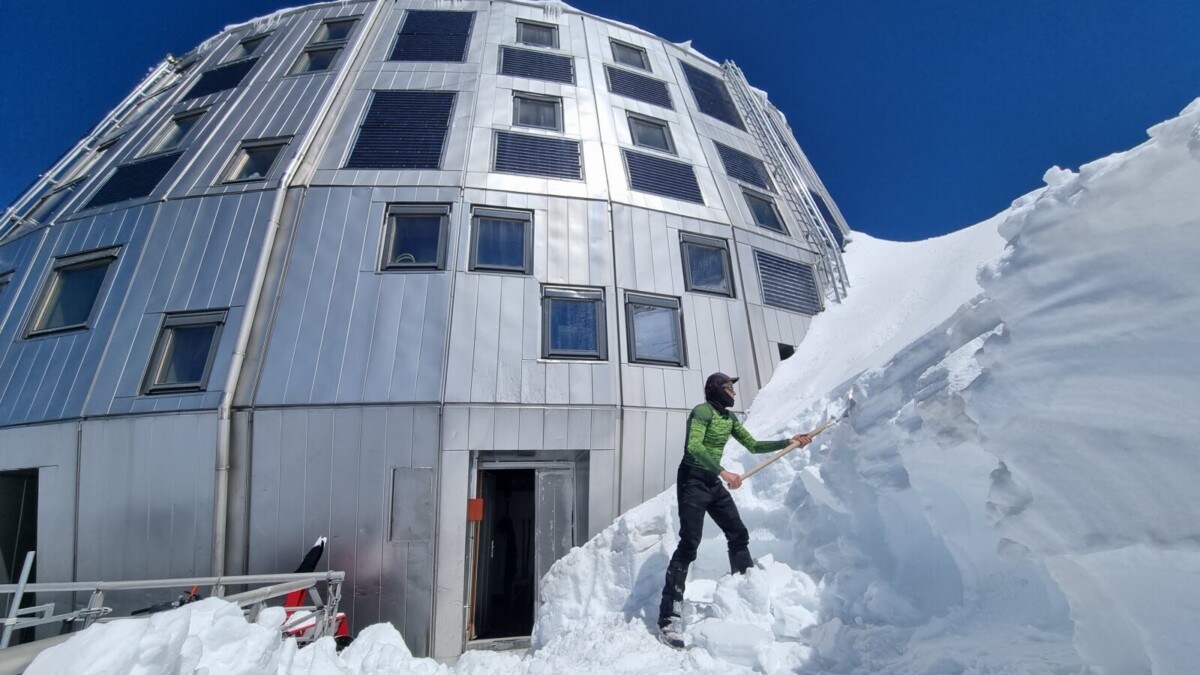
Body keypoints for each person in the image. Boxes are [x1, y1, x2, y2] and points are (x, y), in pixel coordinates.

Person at [656, 372, 811, 646]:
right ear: (715, 389)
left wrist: (789, 442)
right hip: (692, 480)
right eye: (729, 387)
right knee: (689, 544)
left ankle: (742, 590)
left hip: (711, 481)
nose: (733, 392)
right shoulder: (702, 412)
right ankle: (669, 616)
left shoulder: (729, 419)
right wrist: (724, 472)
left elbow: (753, 444)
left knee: (738, 533)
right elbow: (692, 446)